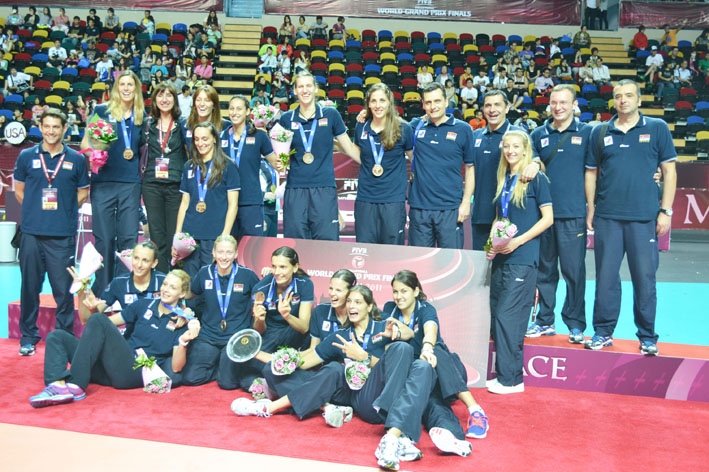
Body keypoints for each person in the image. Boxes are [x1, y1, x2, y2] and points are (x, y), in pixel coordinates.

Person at [235, 284, 436, 472]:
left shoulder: (384, 328)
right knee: (328, 369)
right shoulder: (340, 336)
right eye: (349, 302)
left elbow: (407, 340)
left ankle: (394, 435)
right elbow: (303, 362)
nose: (351, 306)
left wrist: (370, 353)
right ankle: (326, 407)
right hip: (361, 400)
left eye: (357, 302)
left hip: (383, 398)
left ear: (370, 306)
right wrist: (257, 353)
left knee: (409, 355)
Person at [584, 80, 677, 355]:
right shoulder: (600, 131)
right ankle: (603, 332)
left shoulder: (657, 128)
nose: (622, 100)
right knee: (605, 279)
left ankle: (647, 337)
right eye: (618, 96)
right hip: (608, 217)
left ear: (639, 99)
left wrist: (666, 211)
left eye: (628, 95)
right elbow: (591, 172)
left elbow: (669, 171)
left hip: (644, 218)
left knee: (645, 280)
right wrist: (591, 208)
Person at [28, 270, 198, 407]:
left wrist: (183, 341)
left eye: (172, 287)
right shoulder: (143, 304)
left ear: (182, 293)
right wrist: (89, 302)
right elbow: (104, 325)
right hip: (111, 366)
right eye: (165, 284)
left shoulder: (182, 321)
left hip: (133, 372)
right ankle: (56, 385)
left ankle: (77, 384)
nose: (166, 289)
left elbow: (176, 368)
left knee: (98, 320)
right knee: (57, 336)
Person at [13, 109, 90, 357]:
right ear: (40, 127)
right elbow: (19, 191)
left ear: (65, 129)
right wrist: (36, 211)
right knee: (29, 288)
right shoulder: (26, 156)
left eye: (56, 127)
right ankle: (28, 337)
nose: (51, 131)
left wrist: (64, 211)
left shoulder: (76, 159)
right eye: (46, 126)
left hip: (62, 236)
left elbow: (83, 192)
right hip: (31, 234)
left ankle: (64, 339)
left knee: (64, 291)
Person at [384, 270, 488, 451]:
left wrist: (426, 348)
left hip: (446, 372)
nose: (398, 296)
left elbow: (430, 330)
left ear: (416, 291)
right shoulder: (389, 309)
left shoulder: (425, 309)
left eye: (404, 291)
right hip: (421, 377)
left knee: (436, 351)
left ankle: (476, 411)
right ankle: (453, 438)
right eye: (395, 291)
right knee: (432, 403)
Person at [487, 130, 553, 394]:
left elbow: (548, 219)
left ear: (526, 149)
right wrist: (491, 246)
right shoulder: (504, 178)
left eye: (516, 146)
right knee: (498, 316)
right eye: (507, 146)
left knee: (508, 317)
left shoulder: (536, 178)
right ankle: (507, 375)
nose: (510, 151)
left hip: (523, 258)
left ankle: (512, 380)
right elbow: (499, 218)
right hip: (502, 257)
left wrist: (518, 242)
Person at [526, 85, 591, 343]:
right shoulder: (537, 134)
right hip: (543, 216)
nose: (558, 107)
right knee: (544, 271)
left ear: (574, 105)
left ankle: (575, 324)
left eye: (564, 102)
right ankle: (544, 321)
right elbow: (531, 161)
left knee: (574, 272)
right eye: (554, 102)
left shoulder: (587, 133)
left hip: (573, 214)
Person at [82, 70, 145, 296]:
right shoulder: (101, 111)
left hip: (130, 184)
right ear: (116, 88)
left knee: (128, 238)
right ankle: (103, 290)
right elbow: (85, 143)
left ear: (136, 89)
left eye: (130, 84)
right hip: (103, 183)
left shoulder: (142, 117)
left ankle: (123, 289)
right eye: (122, 84)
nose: (126, 88)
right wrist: (95, 153)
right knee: (104, 239)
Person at [276, 71, 358, 240]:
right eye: (300, 87)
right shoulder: (286, 119)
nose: (305, 90)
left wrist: (371, 164)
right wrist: (281, 163)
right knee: (295, 243)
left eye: (308, 86)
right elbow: (283, 153)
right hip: (295, 189)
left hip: (324, 188)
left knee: (326, 243)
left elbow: (349, 147)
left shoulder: (331, 115)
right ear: (295, 91)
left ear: (315, 89)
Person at [180, 235, 260, 388]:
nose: (224, 257)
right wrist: (182, 305)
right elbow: (190, 294)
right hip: (208, 336)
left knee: (227, 383)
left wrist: (269, 275)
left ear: (236, 254)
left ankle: (223, 368)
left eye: (229, 252)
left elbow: (262, 296)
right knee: (191, 378)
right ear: (213, 253)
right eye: (220, 252)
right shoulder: (204, 273)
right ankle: (218, 366)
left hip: (235, 337)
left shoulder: (247, 275)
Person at [341, 83, 413, 244]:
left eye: (382, 100)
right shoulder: (361, 126)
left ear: (389, 102)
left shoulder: (403, 128)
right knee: (366, 250)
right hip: (365, 199)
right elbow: (360, 155)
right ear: (368, 104)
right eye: (373, 101)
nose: (378, 105)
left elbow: (414, 159)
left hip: (393, 200)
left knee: (392, 251)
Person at [408, 82, 474, 249]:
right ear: (423, 105)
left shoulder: (463, 129)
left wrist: (466, 202)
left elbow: (470, 168)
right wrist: (367, 114)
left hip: (450, 209)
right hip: (419, 209)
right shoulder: (415, 127)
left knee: (452, 260)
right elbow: (391, 125)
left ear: (446, 101)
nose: (433, 106)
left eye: (437, 101)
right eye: (428, 102)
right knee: (419, 261)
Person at [175, 122, 240, 277]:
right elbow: (184, 203)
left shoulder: (228, 166)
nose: (200, 143)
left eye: (205, 139)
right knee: (190, 280)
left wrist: (224, 236)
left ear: (214, 139)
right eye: (197, 139)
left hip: (214, 235)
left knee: (210, 280)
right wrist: (177, 236)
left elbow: (233, 205)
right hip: (190, 238)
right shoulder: (189, 166)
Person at [140, 83, 189, 274]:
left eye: (169, 95)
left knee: (174, 237)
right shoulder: (147, 125)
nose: (164, 99)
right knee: (157, 236)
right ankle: (160, 278)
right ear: (154, 100)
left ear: (175, 100)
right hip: (151, 185)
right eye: (160, 95)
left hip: (176, 185)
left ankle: (175, 278)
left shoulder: (183, 125)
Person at [470, 90, 527, 250]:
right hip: (481, 215)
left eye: (497, 105)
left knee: (507, 264)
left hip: (510, 218)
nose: (492, 110)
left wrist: (535, 164)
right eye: (488, 105)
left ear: (507, 108)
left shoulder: (518, 134)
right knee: (482, 261)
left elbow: (534, 162)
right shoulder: (476, 136)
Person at [219, 95, 280, 237]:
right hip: (225, 201)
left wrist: (285, 151)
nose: (234, 112)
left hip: (251, 202)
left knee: (252, 247)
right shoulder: (221, 137)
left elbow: (276, 164)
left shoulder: (259, 136)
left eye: (239, 109)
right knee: (226, 245)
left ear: (247, 111)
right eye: (232, 109)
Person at [74, 241, 165, 322]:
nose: (139, 264)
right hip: (130, 335)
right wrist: (81, 291)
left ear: (154, 263)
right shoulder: (119, 283)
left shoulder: (164, 282)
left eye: (145, 260)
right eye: (136, 258)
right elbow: (86, 320)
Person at [252, 246, 314, 354]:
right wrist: (259, 320)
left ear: (295, 267)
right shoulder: (260, 289)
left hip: (294, 330)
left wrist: (287, 315)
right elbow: (259, 330)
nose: (277, 272)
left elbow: (304, 327)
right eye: (274, 266)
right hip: (270, 333)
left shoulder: (305, 284)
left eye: (282, 267)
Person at [308, 269, 357, 349]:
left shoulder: (359, 316)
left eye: (338, 290)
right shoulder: (320, 311)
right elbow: (314, 349)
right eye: (331, 288)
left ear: (350, 292)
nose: (332, 293)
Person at [184, 85, 230, 151]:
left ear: (214, 105)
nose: (202, 104)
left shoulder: (226, 126)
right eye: (198, 100)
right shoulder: (186, 125)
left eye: (207, 100)